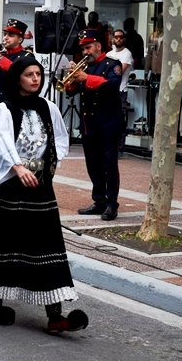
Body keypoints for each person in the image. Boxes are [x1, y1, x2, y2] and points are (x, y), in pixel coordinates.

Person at [0, 55, 87, 334]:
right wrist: (18, 166)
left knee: (45, 248)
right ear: (17, 78)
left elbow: (60, 140)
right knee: (2, 247)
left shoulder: (49, 108)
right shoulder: (4, 110)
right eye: (29, 74)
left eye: (38, 74)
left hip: (39, 187)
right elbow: (1, 140)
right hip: (7, 186)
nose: (35, 79)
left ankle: (55, 316)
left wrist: (44, 168)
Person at [68, 28, 123, 220]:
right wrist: (73, 79)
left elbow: (112, 86)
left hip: (108, 124)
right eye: (83, 49)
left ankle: (111, 204)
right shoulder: (85, 67)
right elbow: (70, 92)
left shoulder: (112, 64)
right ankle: (98, 200)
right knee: (93, 165)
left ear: (98, 46)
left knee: (109, 165)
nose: (85, 52)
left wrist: (86, 78)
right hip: (89, 124)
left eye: (88, 48)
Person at [106, 29, 134, 156]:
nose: (118, 39)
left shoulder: (126, 54)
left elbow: (118, 72)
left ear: (124, 39)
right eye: (116, 37)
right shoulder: (109, 53)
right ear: (112, 39)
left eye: (121, 37)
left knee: (120, 119)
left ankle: (120, 149)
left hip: (120, 90)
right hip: (109, 90)